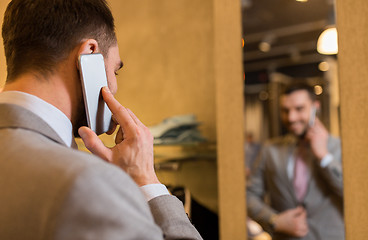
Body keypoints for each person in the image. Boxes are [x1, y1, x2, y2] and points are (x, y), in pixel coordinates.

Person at [0, 0, 202, 239]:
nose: (114, 86)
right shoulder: (86, 183)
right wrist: (145, 178)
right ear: (89, 53)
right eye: (115, 71)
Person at [246, 82, 344, 240]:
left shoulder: (339, 147)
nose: (291, 118)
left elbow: (354, 194)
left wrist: (324, 156)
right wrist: (274, 220)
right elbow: (248, 195)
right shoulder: (270, 150)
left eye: (299, 109)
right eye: (285, 110)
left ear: (315, 107)